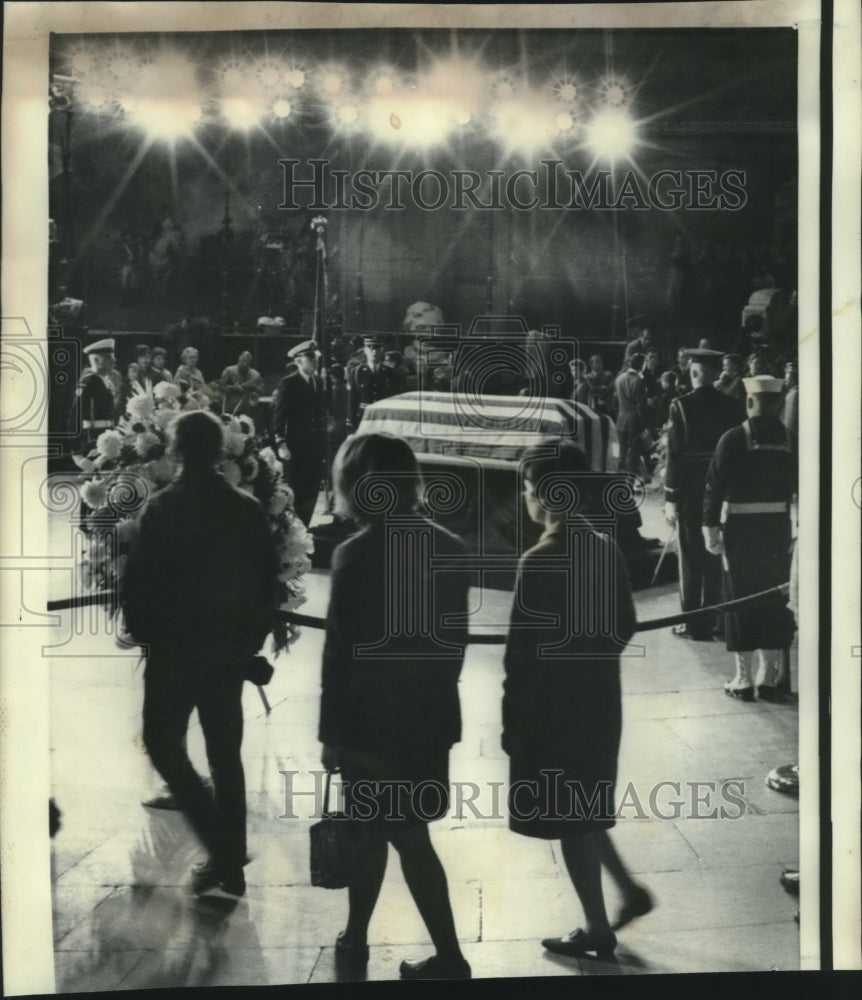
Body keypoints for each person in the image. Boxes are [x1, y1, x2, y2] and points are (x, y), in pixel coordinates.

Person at [319, 433, 472, 981]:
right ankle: (371, 937)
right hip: (426, 721)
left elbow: (340, 655)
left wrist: (331, 735)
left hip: (368, 725)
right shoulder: (450, 547)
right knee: (408, 833)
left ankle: (421, 951)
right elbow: (455, 646)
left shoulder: (353, 555)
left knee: (376, 831)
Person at [503, 441, 653, 961]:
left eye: (526, 489)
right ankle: (628, 891)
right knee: (584, 808)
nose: (524, 498)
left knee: (569, 820)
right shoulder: (603, 546)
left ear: (545, 495)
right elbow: (626, 623)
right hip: (599, 703)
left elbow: (520, 658)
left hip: (552, 711)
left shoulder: (539, 559)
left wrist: (512, 723)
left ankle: (596, 930)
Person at [120, 410, 279, 898]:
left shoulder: (161, 509)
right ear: (221, 451)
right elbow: (265, 585)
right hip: (226, 653)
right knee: (225, 755)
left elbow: (138, 585)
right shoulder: (245, 509)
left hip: (173, 653)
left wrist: (144, 635)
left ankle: (219, 843)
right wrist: (248, 646)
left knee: (164, 745)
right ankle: (230, 863)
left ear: (173, 450)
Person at [703, 375, 797, 700]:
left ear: (749, 402)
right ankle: (767, 679)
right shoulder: (791, 440)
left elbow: (714, 488)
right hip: (778, 531)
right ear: (778, 404)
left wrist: (710, 528)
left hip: (740, 533)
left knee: (739, 599)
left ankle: (742, 680)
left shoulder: (732, 439)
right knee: (775, 599)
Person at [664, 349, 744, 641]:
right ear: (715, 373)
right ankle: (717, 622)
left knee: (690, 558)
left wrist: (670, 497)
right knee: (717, 555)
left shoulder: (680, 406)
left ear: (693, 373)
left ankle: (693, 624)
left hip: (691, 491)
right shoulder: (733, 406)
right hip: (723, 489)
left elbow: (675, 456)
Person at [271, 340, 328, 527]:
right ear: (298, 360)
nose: (314, 361)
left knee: (312, 489)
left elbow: (320, 412)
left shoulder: (318, 382)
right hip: (297, 447)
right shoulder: (289, 383)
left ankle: (306, 528)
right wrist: (281, 442)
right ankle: (294, 531)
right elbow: (279, 416)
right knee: (297, 490)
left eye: (315, 357)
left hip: (315, 446)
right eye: (309, 357)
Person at [70, 338, 120, 449]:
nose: (114, 360)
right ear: (96, 360)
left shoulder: (107, 381)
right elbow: (75, 415)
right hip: (91, 437)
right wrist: (76, 450)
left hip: (107, 434)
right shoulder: (88, 381)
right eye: (109, 358)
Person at [347, 335, 399, 429]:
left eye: (377, 349)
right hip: (363, 418)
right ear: (365, 350)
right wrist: (351, 421)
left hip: (384, 418)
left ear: (382, 350)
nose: (374, 352)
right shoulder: (356, 372)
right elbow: (353, 400)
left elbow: (394, 399)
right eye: (370, 349)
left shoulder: (390, 373)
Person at [613, 352, 652, 477]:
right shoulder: (638, 381)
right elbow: (641, 407)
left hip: (621, 420)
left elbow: (615, 401)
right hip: (635, 422)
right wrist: (645, 426)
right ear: (642, 365)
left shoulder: (619, 378)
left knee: (623, 457)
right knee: (633, 457)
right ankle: (630, 486)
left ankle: (626, 485)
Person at [220, 350, 264, 417]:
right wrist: (233, 388)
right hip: (230, 410)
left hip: (248, 411)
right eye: (243, 361)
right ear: (239, 359)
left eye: (248, 362)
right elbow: (221, 387)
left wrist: (254, 387)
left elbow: (262, 390)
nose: (245, 364)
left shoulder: (256, 375)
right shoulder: (229, 371)